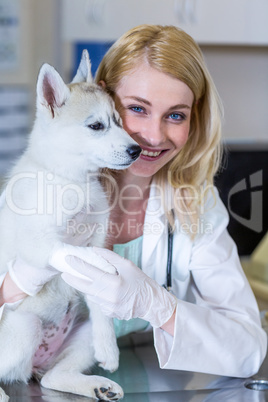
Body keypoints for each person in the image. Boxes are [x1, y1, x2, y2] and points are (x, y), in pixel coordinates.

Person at [0, 25, 267, 378]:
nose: (153, 136)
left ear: (193, 118)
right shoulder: (39, 187)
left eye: (175, 115)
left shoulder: (197, 206)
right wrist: (20, 280)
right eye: (137, 109)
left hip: (134, 374)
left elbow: (248, 350)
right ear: (102, 97)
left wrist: (160, 308)